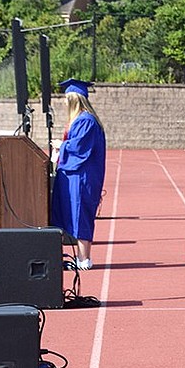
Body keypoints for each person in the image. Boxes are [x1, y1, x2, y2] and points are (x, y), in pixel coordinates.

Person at [50, 78, 106, 271]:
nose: (65, 102)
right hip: (74, 175)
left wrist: (61, 145)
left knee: (80, 214)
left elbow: (80, 148)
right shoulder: (81, 120)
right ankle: (80, 257)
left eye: (67, 98)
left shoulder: (86, 121)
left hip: (82, 177)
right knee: (70, 214)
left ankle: (84, 259)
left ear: (74, 100)